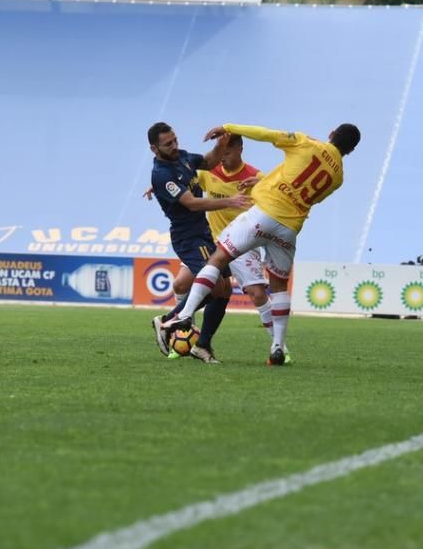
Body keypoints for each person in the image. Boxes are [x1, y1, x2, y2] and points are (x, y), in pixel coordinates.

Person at [161, 122, 361, 366]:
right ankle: (277, 346)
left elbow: (266, 135)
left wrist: (229, 126)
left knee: (218, 258)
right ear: (350, 152)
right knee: (278, 286)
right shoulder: (338, 177)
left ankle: (183, 316)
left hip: (263, 214)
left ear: (330, 134)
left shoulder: (306, 143)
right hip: (289, 228)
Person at [147, 122, 250, 364]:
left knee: (224, 289)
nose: (174, 146)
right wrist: (230, 202)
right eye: (168, 144)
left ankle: (202, 345)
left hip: (203, 232)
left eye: (175, 140)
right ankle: (168, 321)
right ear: (154, 149)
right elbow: (191, 203)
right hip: (188, 237)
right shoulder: (162, 174)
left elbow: (209, 162)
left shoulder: (182, 157)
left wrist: (220, 145)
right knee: (214, 287)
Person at [195, 135, 291, 361]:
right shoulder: (208, 172)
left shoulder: (256, 176)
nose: (223, 158)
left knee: (258, 294)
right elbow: (185, 184)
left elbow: (280, 196)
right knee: (182, 284)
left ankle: (279, 347)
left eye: (227, 153)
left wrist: (261, 186)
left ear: (240, 148)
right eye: (220, 153)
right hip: (213, 241)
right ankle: (180, 333)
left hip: (243, 241)